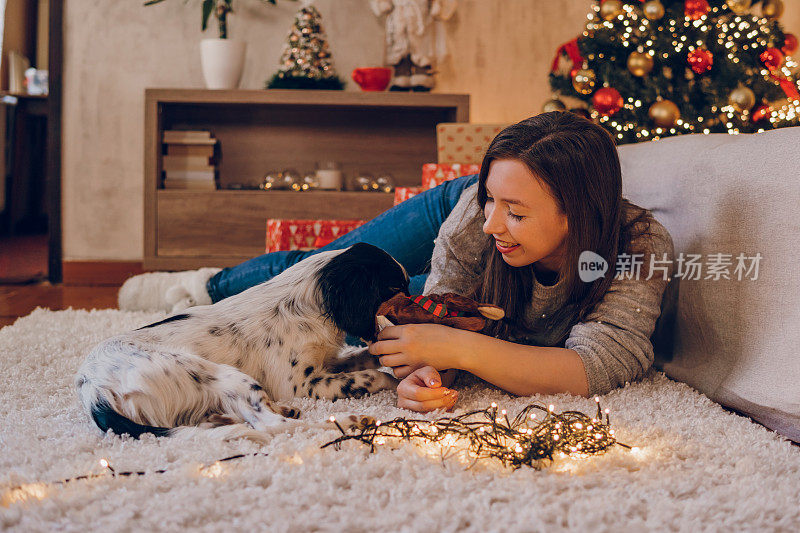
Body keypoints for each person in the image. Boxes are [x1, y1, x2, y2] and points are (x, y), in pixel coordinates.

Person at [119, 112, 674, 414]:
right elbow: (428, 318)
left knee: (359, 294)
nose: (492, 223)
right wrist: (423, 364)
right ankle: (205, 285)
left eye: (516, 212)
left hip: (488, 281)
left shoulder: (639, 247)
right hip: (446, 214)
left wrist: (450, 351)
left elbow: (597, 367)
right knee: (327, 268)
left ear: (579, 213)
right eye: (492, 202)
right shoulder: (475, 219)